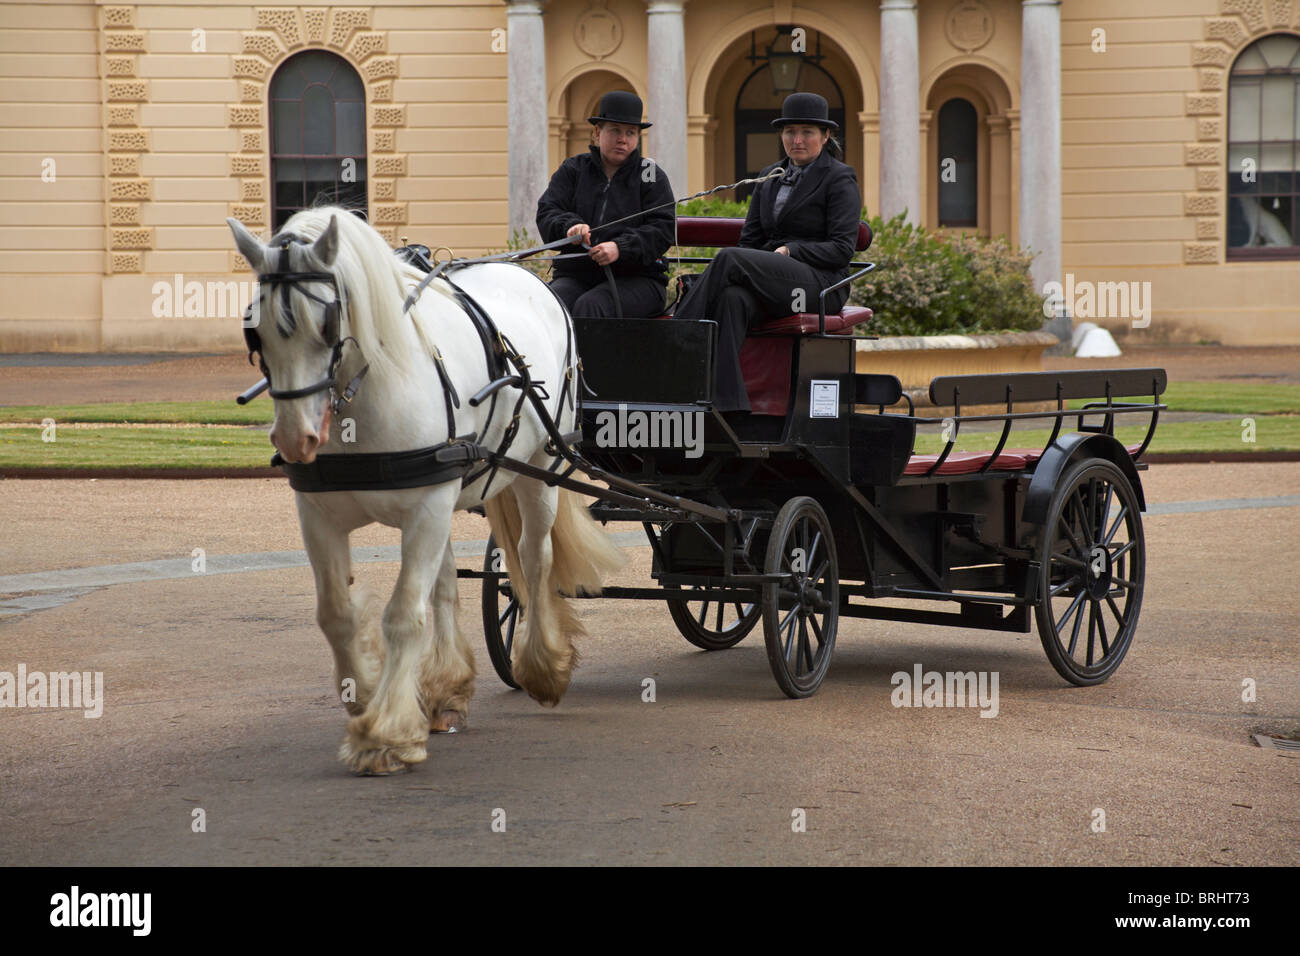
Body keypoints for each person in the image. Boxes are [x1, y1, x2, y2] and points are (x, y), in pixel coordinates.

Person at [673, 91, 861, 414]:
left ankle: (676, 338)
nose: (797, 140)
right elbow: (750, 241)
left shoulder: (839, 178)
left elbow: (842, 249)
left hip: (819, 285)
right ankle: (728, 407)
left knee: (727, 258)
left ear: (826, 135)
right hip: (774, 282)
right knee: (732, 298)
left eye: (807, 132)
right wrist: (762, 263)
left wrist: (792, 250)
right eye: (790, 132)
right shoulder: (769, 176)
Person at [536, 91, 676, 318]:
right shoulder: (574, 168)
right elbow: (548, 211)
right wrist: (571, 227)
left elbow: (662, 229)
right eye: (615, 131)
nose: (623, 139)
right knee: (549, 305)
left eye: (631, 132)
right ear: (597, 132)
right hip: (576, 275)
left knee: (592, 306)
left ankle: (587, 356)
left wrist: (620, 248)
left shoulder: (649, 173)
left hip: (639, 280)